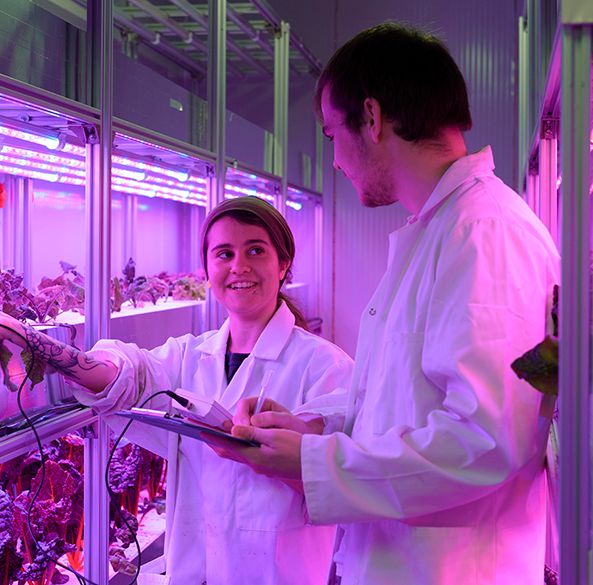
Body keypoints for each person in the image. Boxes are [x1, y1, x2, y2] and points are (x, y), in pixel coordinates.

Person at [212, 22, 560, 585]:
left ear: (371, 118)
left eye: (331, 136)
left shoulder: (484, 234)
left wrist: (312, 464)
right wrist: (315, 427)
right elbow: (403, 402)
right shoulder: (441, 231)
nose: (335, 161)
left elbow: (485, 441)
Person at [0, 196, 353, 585]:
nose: (239, 265)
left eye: (256, 250)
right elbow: (123, 376)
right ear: (207, 272)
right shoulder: (190, 357)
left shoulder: (326, 368)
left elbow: (344, 481)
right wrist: (24, 335)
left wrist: (285, 452)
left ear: (284, 264)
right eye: (224, 253)